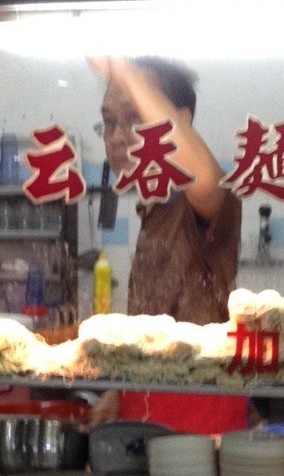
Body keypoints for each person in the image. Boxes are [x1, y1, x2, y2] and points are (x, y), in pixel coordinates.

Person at [86, 55, 249, 434]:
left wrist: (124, 71)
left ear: (183, 122)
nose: (119, 136)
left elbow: (205, 177)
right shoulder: (154, 209)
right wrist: (120, 388)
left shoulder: (203, 201)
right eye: (110, 122)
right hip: (147, 423)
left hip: (198, 425)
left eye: (136, 118)